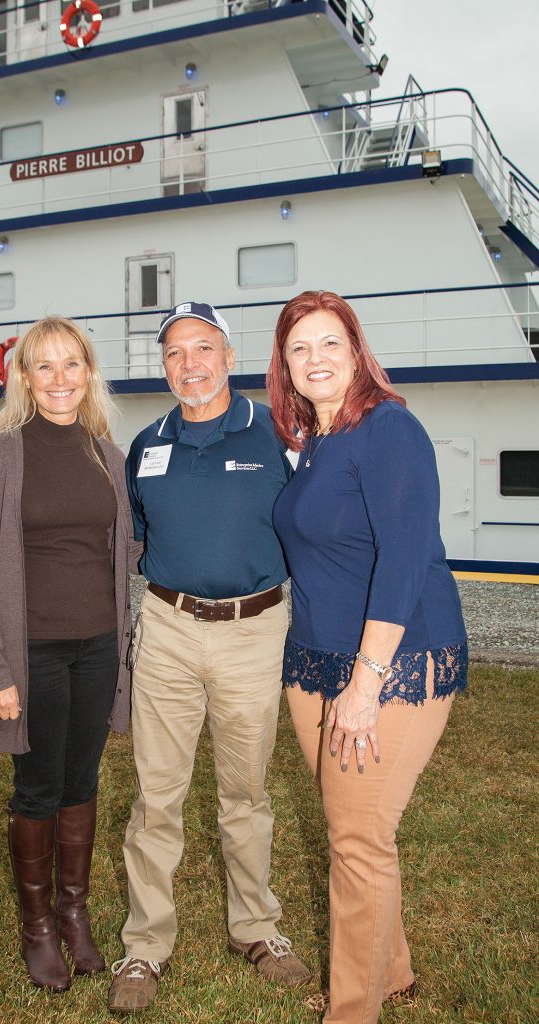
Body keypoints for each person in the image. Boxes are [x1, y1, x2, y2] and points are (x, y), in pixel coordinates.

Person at [267, 291, 468, 1023]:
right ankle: (392, 972)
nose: (315, 359)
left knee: (357, 837)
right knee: (351, 829)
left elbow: (405, 557)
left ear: (356, 351)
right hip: (315, 659)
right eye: (299, 348)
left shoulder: (390, 429)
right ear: (283, 367)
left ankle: (351, 1011)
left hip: (393, 663)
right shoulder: (316, 440)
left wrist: (365, 684)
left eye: (329, 344)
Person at [107, 301, 311, 1015]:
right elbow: (131, 538)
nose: (188, 364)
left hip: (254, 632)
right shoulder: (146, 444)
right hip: (166, 628)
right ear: (162, 366)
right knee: (155, 795)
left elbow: (313, 528)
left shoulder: (278, 431)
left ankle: (255, 927)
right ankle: (145, 945)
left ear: (228, 354)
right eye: (173, 353)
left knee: (244, 794)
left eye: (201, 348)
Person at [0, 316, 139, 993]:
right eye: (45, 366)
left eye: (72, 364)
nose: (60, 379)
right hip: (28, 651)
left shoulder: (108, 457)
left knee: (82, 781)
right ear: (24, 377)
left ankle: (74, 914)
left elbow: (128, 550)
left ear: (88, 373)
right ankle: (36, 929)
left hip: (96, 649)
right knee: (37, 786)